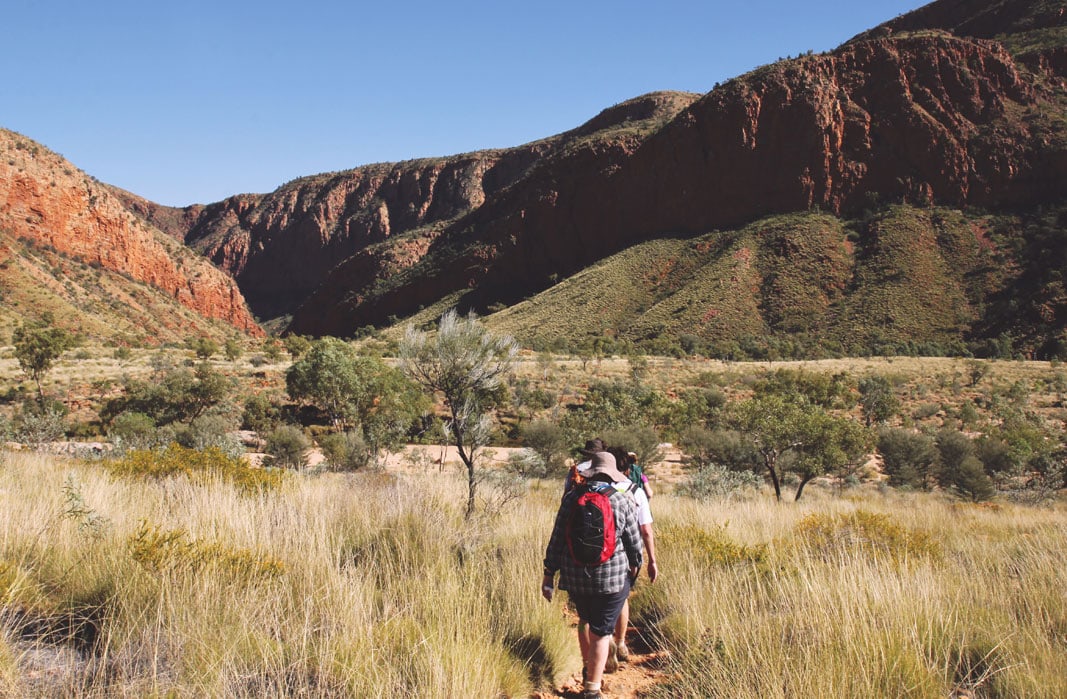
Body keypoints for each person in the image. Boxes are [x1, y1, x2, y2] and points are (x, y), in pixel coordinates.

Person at [542, 452, 643, 699]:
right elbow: (634, 545)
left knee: (586, 620)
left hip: (575, 576)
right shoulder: (622, 500)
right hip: (611, 579)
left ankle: (589, 667)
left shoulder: (571, 499)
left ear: (590, 472)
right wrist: (635, 568)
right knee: (601, 630)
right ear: (611, 475)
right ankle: (592, 690)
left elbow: (556, 540)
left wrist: (548, 574)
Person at [607, 448, 658, 668]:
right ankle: (619, 643)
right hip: (626, 554)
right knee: (622, 598)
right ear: (627, 468)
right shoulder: (635, 491)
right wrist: (651, 560)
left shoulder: (593, 488)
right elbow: (645, 530)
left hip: (596, 554)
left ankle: (603, 642)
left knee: (594, 604)